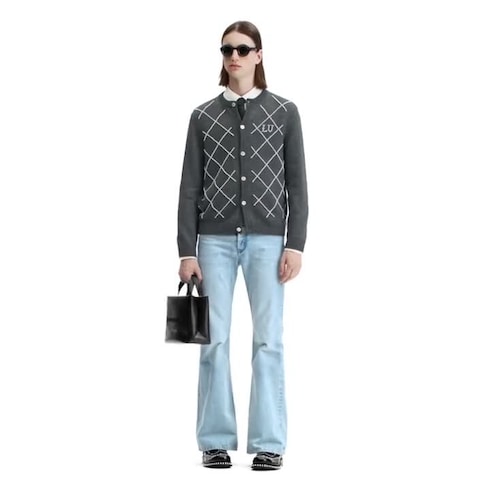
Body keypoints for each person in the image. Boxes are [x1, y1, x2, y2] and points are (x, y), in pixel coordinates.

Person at [176, 20, 308, 471]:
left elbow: (297, 186)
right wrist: (186, 251)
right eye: (227, 49)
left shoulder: (285, 112)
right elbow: (189, 188)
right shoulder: (203, 116)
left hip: (269, 242)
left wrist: (295, 244)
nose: (234, 56)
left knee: (268, 340)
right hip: (212, 241)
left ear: (259, 55)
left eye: (243, 49)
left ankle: (269, 442)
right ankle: (214, 440)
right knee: (213, 340)